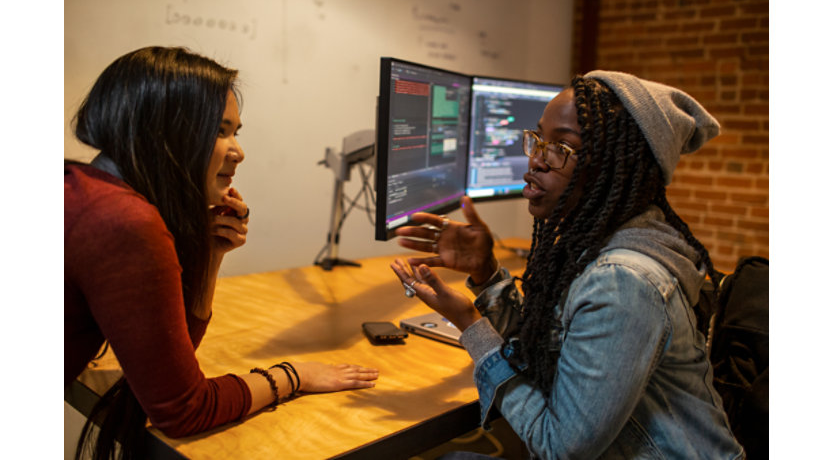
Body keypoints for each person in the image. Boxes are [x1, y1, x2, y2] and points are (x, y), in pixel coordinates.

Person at [390, 71, 744, 459]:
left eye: (561, 147)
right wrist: (486, 272)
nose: (537, 160)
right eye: (537, 140)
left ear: (614, 167)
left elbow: (558, 448)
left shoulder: (624, 282)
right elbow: (542, 352)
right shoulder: (596, 245)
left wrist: (472, 327)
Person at [65, 46, 379, 459]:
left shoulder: (83, 187)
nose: (238, 151)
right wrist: (294, 374)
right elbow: (183, 409)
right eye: (219, 131)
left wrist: (211, 256)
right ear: (166, 134)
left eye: (236, 131)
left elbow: (169, 366)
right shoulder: (125, 222)